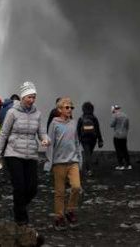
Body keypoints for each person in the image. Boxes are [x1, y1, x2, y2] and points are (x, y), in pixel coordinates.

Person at [0, 82, 49, 225]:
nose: (32, 100)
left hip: (31, 154)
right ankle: (21, 219)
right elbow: (4, 134)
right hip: (13, 153)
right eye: (29, 97)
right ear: (23, 97)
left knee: (32, 188)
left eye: (34, 97)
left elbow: (42, 132)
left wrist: (45, 139)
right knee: (19, 186)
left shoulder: (38, 113)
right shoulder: (12, 112)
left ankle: (18, 206)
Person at [47, 97, 84, 228]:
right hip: (59, 163)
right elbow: (50, 144)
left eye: (71, 107)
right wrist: (49, 162)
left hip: (72, 161)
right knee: (60, 192)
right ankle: (59, 217)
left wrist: (80, 159)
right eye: (67, 107)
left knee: (76, 187)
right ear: (59, 109)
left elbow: (76, 141)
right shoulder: (54, 124)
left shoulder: (73, 123)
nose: (70, 109)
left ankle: (70, 210)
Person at [75, 102, 103, 177]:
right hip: (93, 138)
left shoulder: (81, 118)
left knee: (87, 154)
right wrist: (100, 140)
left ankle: (88, 169)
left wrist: (77, 139)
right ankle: (88, 169)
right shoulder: (94, 118)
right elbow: (97, 129)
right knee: (89, 153)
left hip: (84, 139)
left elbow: (77, 130)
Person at [110, 104, 132, 169]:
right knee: (125, 149)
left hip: (117, 136)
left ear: (114, 109)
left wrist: (113, 115)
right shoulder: (126, 116)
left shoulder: (115, 116)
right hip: (124, 136)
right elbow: (127, 126)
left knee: (118, 150)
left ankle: (121, 165)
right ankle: (128, 165)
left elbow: (111, 125)